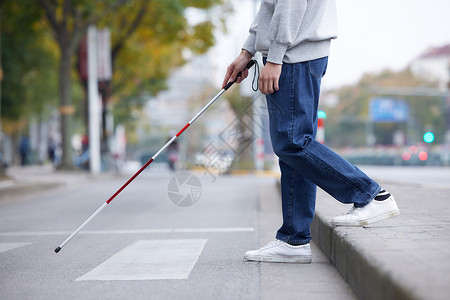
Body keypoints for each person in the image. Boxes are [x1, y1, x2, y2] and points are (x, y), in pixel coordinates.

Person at [222, 0, 399, 264]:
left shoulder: (283, 55)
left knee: (293, 142)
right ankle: (293, 240)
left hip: (293, 56)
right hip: (294, 54)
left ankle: (371, 194)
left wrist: (275, 57)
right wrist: (247, 51)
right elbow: (270, 7)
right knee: (293, 148)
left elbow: (290, 5)